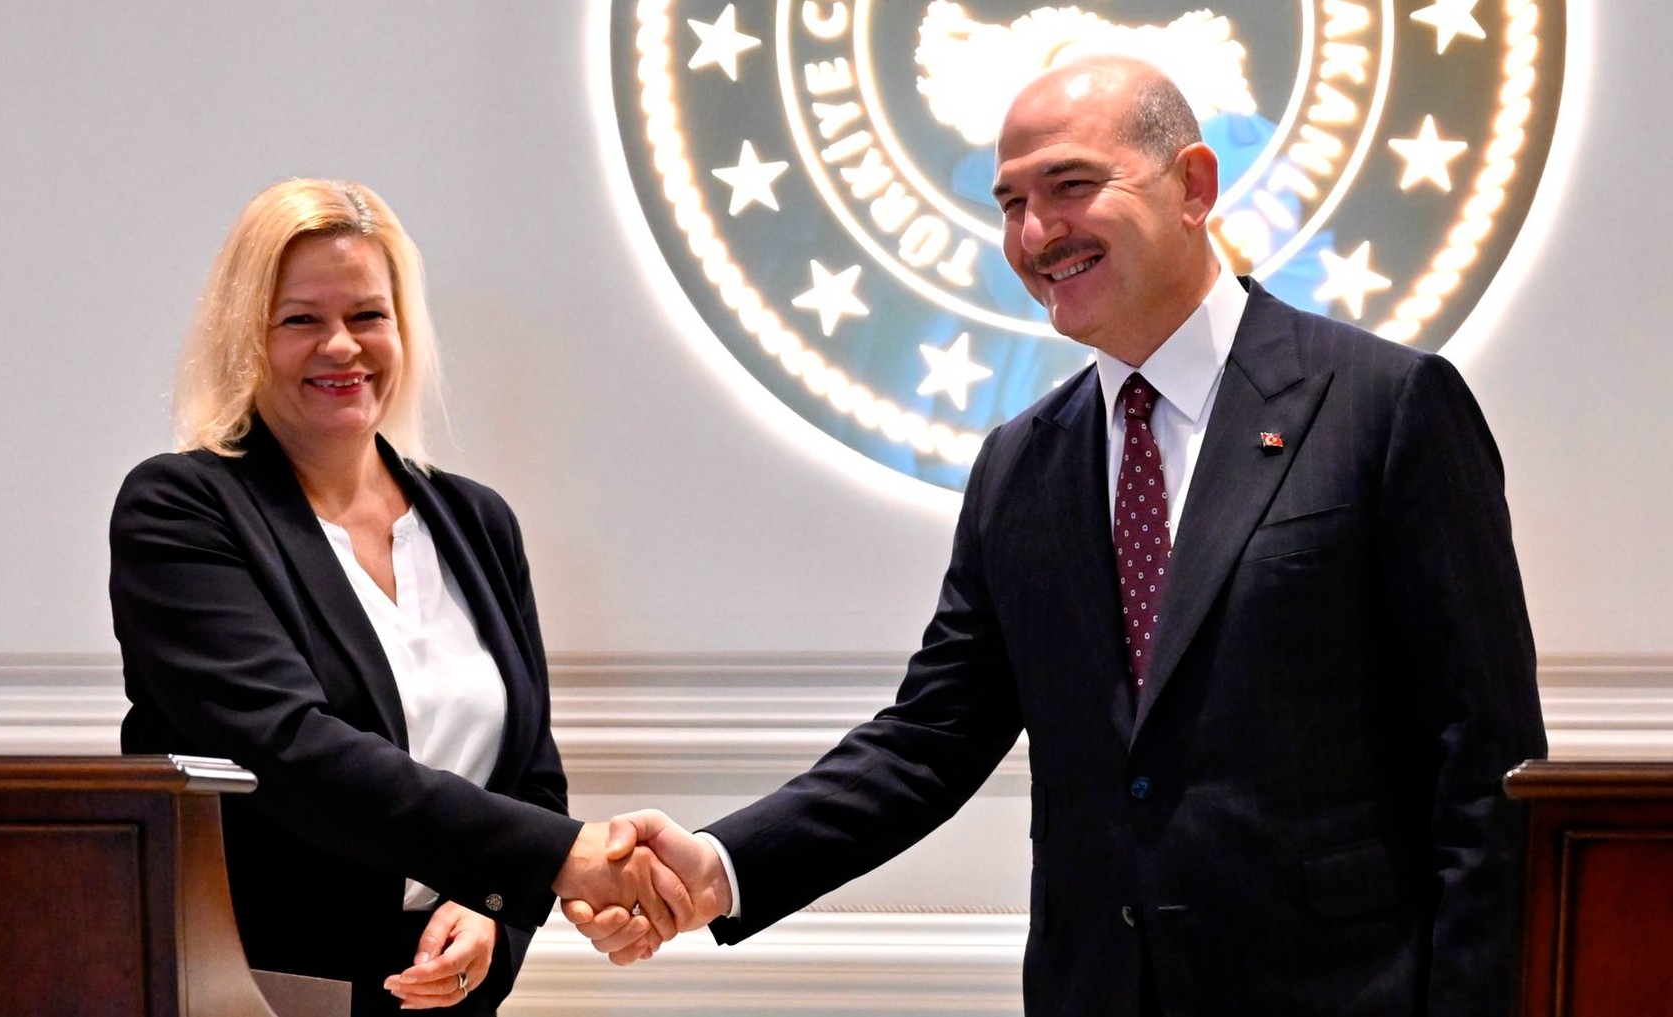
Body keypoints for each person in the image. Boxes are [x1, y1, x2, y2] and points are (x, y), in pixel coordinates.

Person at [568, 56, 1548, 1015]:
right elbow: (927, 743)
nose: (1036, 232)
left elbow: (1483, 768)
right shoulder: (1019, 466)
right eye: (1008, 203)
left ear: (1192, 186)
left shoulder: (1385, 407)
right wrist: (720, 866)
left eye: (1070, 185)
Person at [111, 179, 686, 1015]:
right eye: (301, 319)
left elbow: (530, 774)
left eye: (369, 315)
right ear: (246, 336)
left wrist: (489, 906)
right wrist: (569, 856)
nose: (342, 346)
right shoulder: (181, 510)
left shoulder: (477, 522)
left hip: (445, 1000)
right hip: (258, 993)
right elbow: (293, 752)